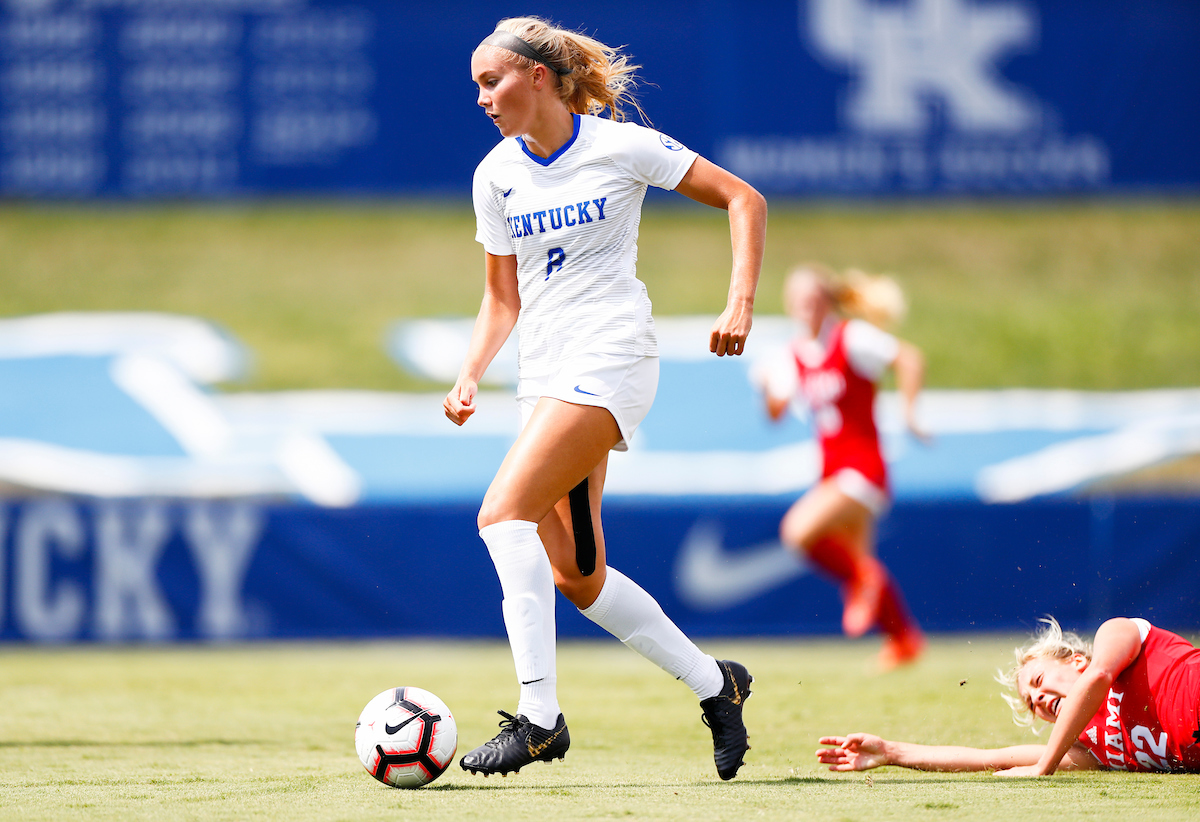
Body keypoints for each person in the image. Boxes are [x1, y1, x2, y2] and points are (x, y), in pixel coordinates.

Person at [444, 16, 766, 780]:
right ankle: (718, 686)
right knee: (580, 580)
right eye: (476, 87)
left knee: (500, 515)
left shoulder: (620, 146)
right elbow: (501, 298)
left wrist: (740, 302)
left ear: (539, 78)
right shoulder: (495, 175)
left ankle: (539, 719)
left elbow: (743, 199)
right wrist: (469, 371)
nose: (482, 98)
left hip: (613, 358)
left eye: (492, 81)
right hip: (543, 376)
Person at [757, 264, 927, 669]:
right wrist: (765, 387)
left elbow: (908, 357)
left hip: (863, 468)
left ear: (826, 301)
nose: (804, 307)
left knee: (798, 532)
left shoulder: (851, 337)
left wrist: (909, 412)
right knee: (861, 562)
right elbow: (776, 413)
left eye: (812, 298)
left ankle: (862, 581)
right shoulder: (792, 353)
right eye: (797, 299)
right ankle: (904, 641)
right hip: (833, 470)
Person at [816, 616, 1200, 775]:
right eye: (1032, 703)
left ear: (1075, 661)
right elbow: (988, 758)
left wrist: (1042, 767)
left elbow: (1099, 676)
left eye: (1037, 680)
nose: (1038, 699)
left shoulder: (1118, 634)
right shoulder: (1088, 748)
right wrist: (891, 752)